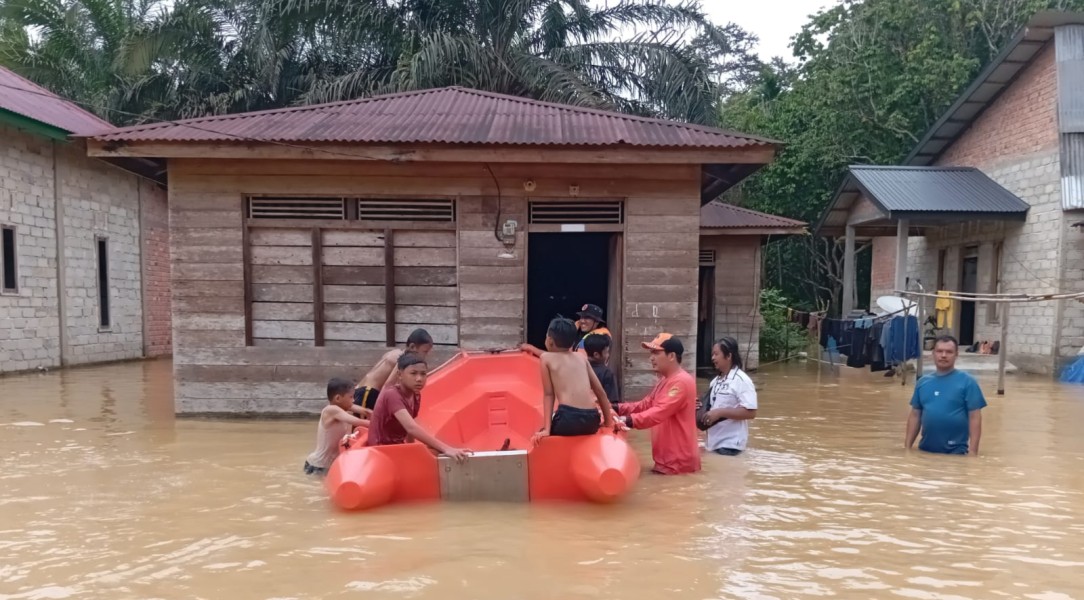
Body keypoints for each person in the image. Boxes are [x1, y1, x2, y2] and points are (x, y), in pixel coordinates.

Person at [613, 333, 700, 474]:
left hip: (677, 464)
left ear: (671, 356)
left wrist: (627, 421)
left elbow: (659, 412)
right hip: (667, 462)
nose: (651, 358)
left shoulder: (681, 382)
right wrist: (616, 408)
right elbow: (645, 405)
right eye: (651, 353)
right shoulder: (665, 380)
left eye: (656, 353)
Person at [366, 352, 471, 463]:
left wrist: (412, 449)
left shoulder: (415, 394)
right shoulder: (392, 395)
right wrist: (447, 449)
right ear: (400, 375)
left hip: (397, 447)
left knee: (436, 451)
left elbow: (410, 430)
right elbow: (411, 427)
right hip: (380, 452)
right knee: (440, 452)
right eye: (413, 373)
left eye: (423, 374)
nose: (419, 379)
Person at [532, 318, 616, 443]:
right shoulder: (581, 357)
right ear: (572, 342)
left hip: (568, 417)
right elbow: (600, 392)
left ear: (549, 341)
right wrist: (608, 422)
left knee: (542, 435)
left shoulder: (546, 358)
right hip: (592, 419)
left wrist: (547, 430)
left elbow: (549, 395)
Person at [905, 335, 988, 456]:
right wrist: (907, 449)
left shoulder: (968, 382)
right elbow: (915, 415)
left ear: (956, 355)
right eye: (939, 351)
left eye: (949, 352)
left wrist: (973, 452)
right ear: (933, 353)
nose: (943, 355)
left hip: (956, 453)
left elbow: (975, 417)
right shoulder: (922, 382)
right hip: (925, 451)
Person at [699, 337, 758, 456]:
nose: (713, 358)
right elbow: (711, 407)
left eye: (716, 354)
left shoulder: (742, 380)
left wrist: (720, 412)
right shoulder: (715, 382)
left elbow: (751, 412)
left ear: (728, 356)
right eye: (712, 354)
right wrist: (699, 406)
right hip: (713, 443)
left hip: (730, 445)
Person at [304, 378, 371, 476]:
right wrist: (379, 424)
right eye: (351, 397)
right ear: (338, 398)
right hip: (318, 466)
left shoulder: (344, 407)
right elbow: (358, 421)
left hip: (328, 466)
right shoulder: (331, 410)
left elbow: (366, 411)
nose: (353, 400)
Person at [354, 328, 434, 410]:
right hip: (368, 394)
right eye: (425, 352)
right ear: (412, 347)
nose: (425, 356)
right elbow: (388, 385)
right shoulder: (401, 359)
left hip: (361, 389)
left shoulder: (395, 352)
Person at [519, 303, 611, 357]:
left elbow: (563, 358)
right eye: (581, 317)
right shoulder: (581, 332)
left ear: (597, 322)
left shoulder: (597, 338)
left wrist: (532, 349)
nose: (582, 320)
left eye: (587, 318)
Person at [584, 333, 620, 405]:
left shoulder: (580, 369)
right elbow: (612, 402)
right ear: (596, 355)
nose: (608, 355)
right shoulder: (607, 373)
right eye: (606, 352)